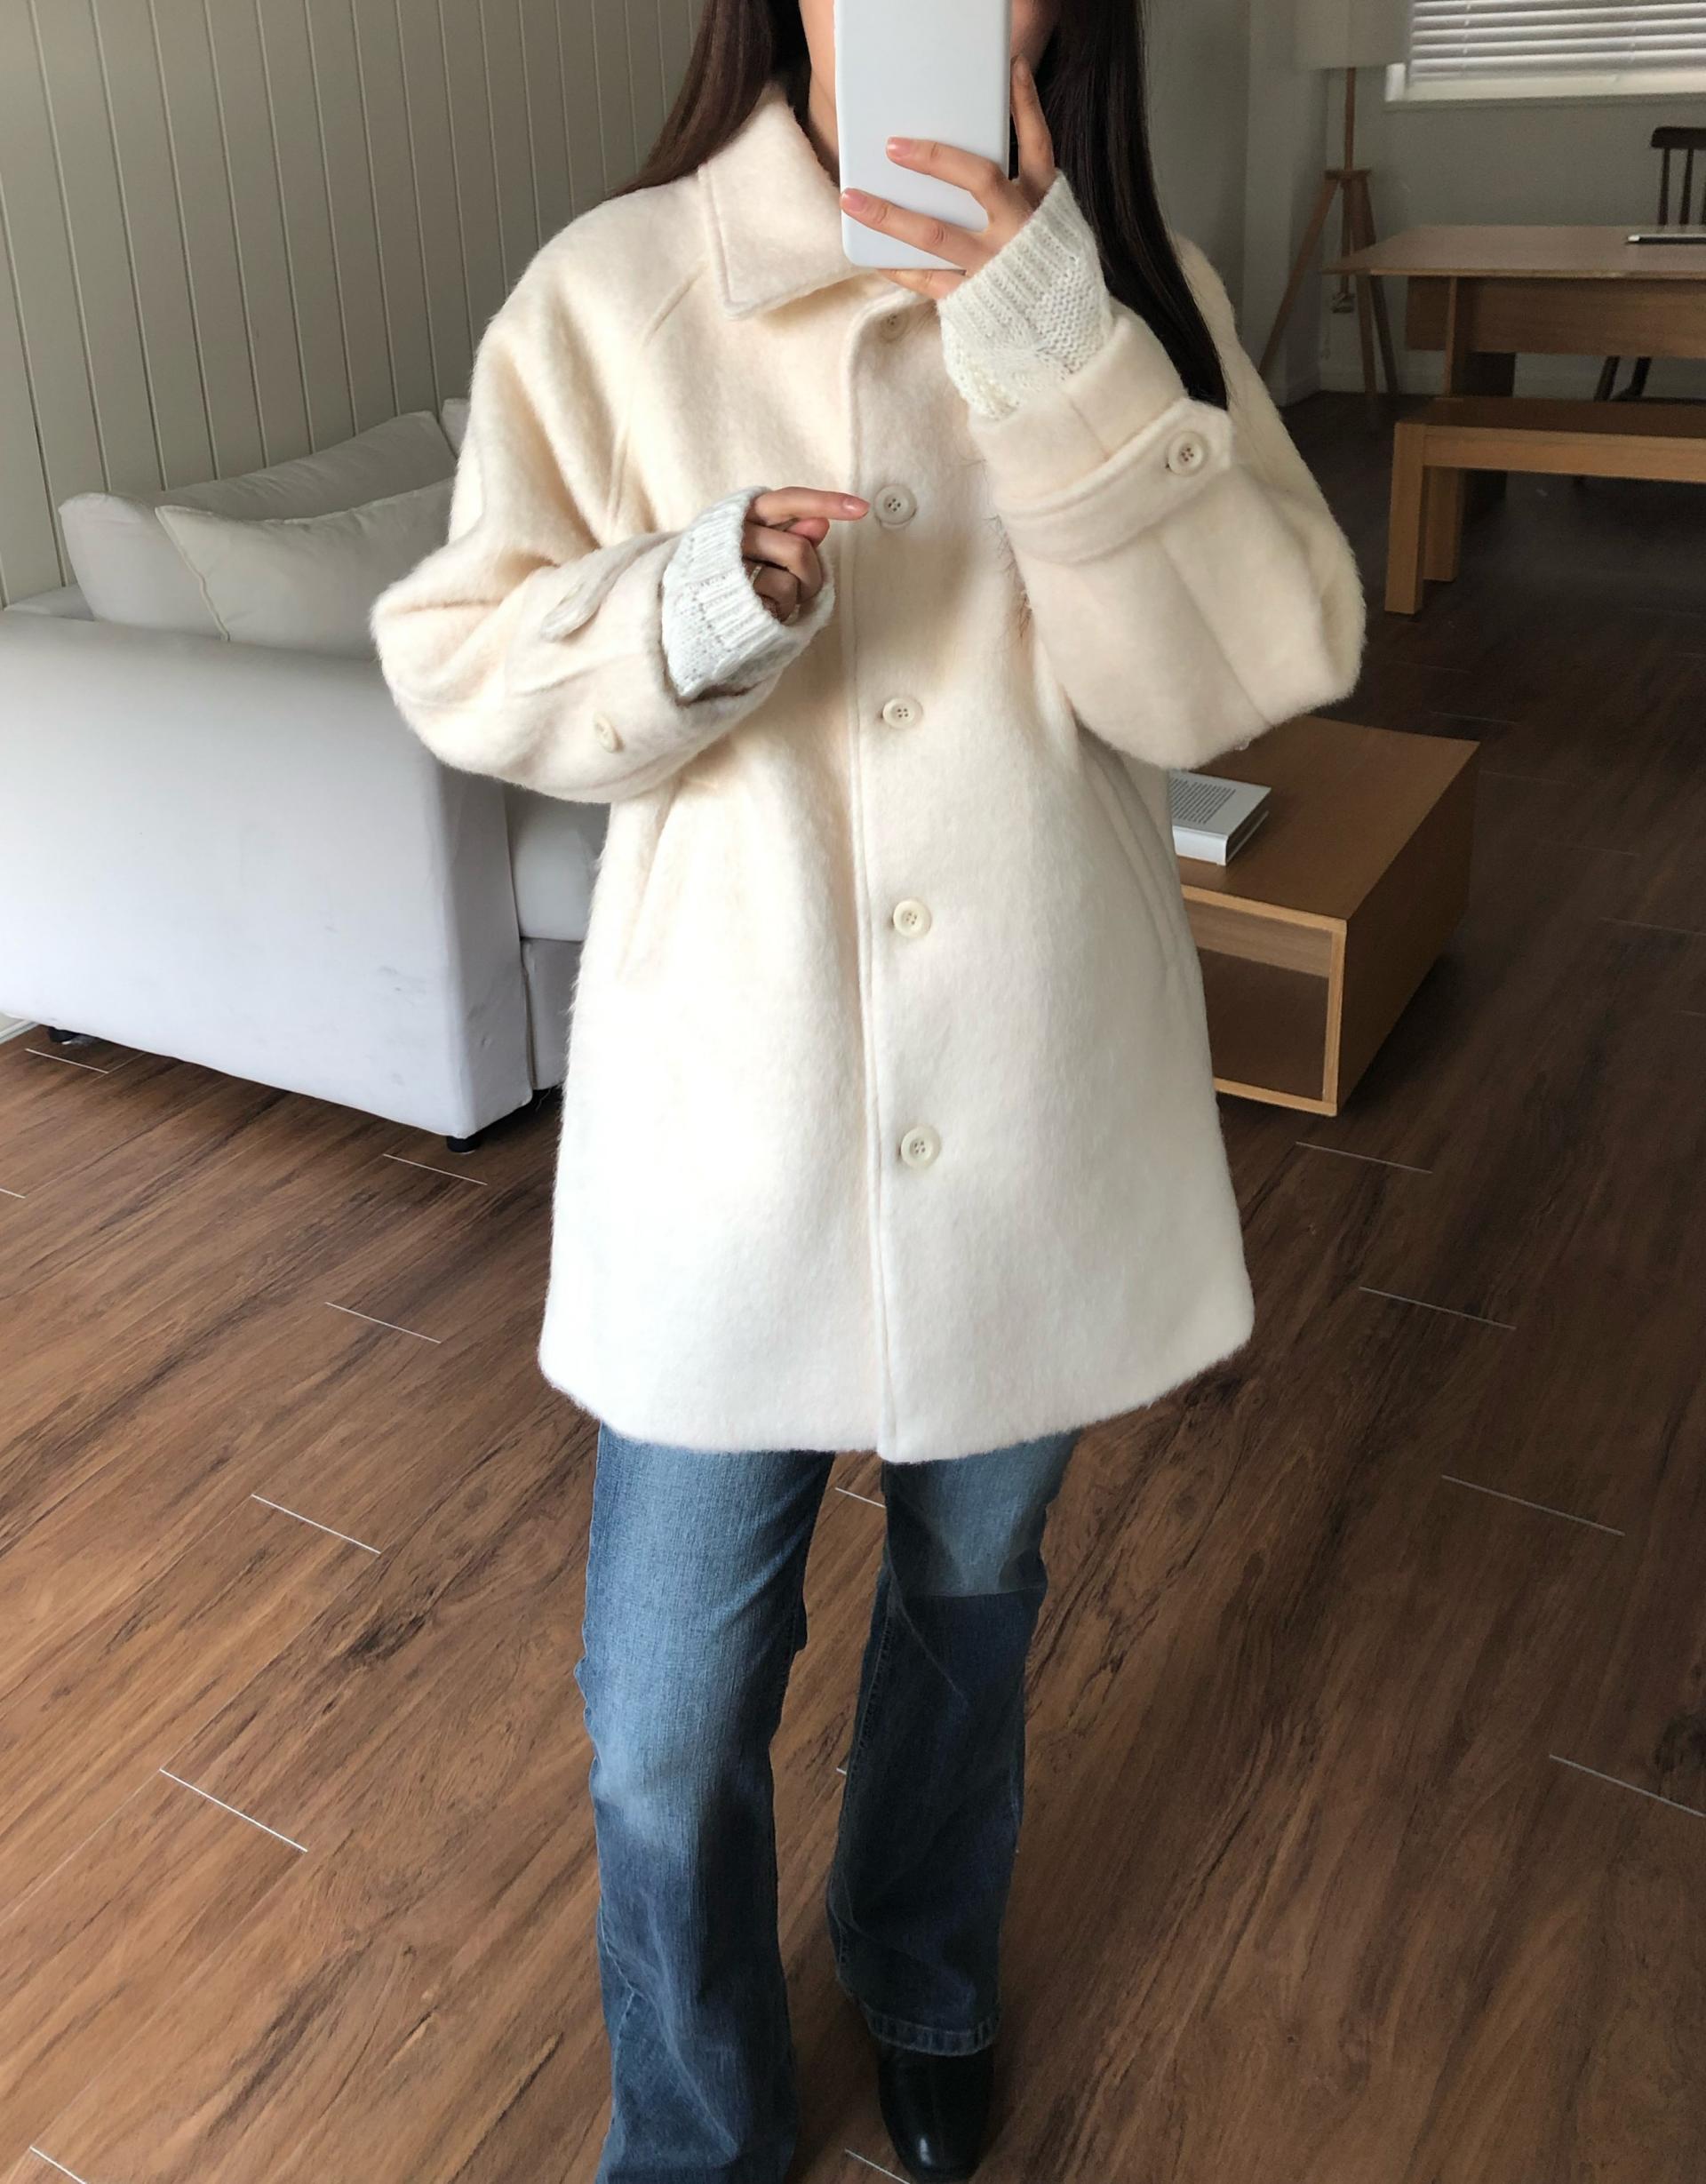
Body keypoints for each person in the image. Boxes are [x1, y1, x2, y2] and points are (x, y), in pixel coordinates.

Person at [370, 0, 1366, 2175]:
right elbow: (456, 653)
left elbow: (1244, 671)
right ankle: (698, 2128)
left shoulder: (1139, 293)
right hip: (729, 1139)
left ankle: (922, 1969)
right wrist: (686, 602)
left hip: (1030, 1104)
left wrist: (1049, 336)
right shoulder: (616, 291)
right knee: (661, 1717)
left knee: (969, 1599)